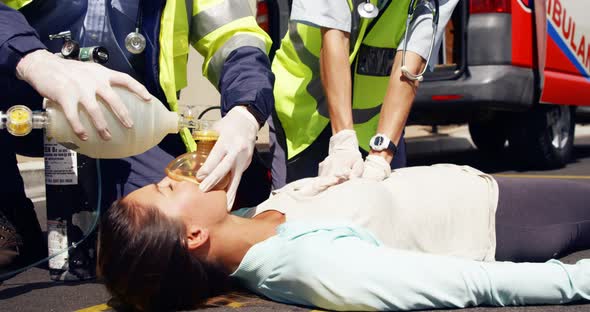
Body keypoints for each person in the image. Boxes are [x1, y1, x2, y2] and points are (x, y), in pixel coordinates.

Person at [0, 0, 274, 272]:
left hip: (129, 121)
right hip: (22, 97)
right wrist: (32, 60)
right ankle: (8, 217)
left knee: (164, 237)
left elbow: (235, 34)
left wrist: (246, 111)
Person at [98, 162, 590, 311]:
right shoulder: (311, 266)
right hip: (498, 216)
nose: (177, 176)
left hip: (474, 184)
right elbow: (470, 283)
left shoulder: (246, 220)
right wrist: (578, 282)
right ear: (194, 236)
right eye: (167, 188)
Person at [270, 0, 459, 188]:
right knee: (297, 211)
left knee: (380, 208)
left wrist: (381, 156)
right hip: (302, 113)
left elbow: (412, 60)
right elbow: (334, 35)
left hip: (375, 124)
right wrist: (343, 142)